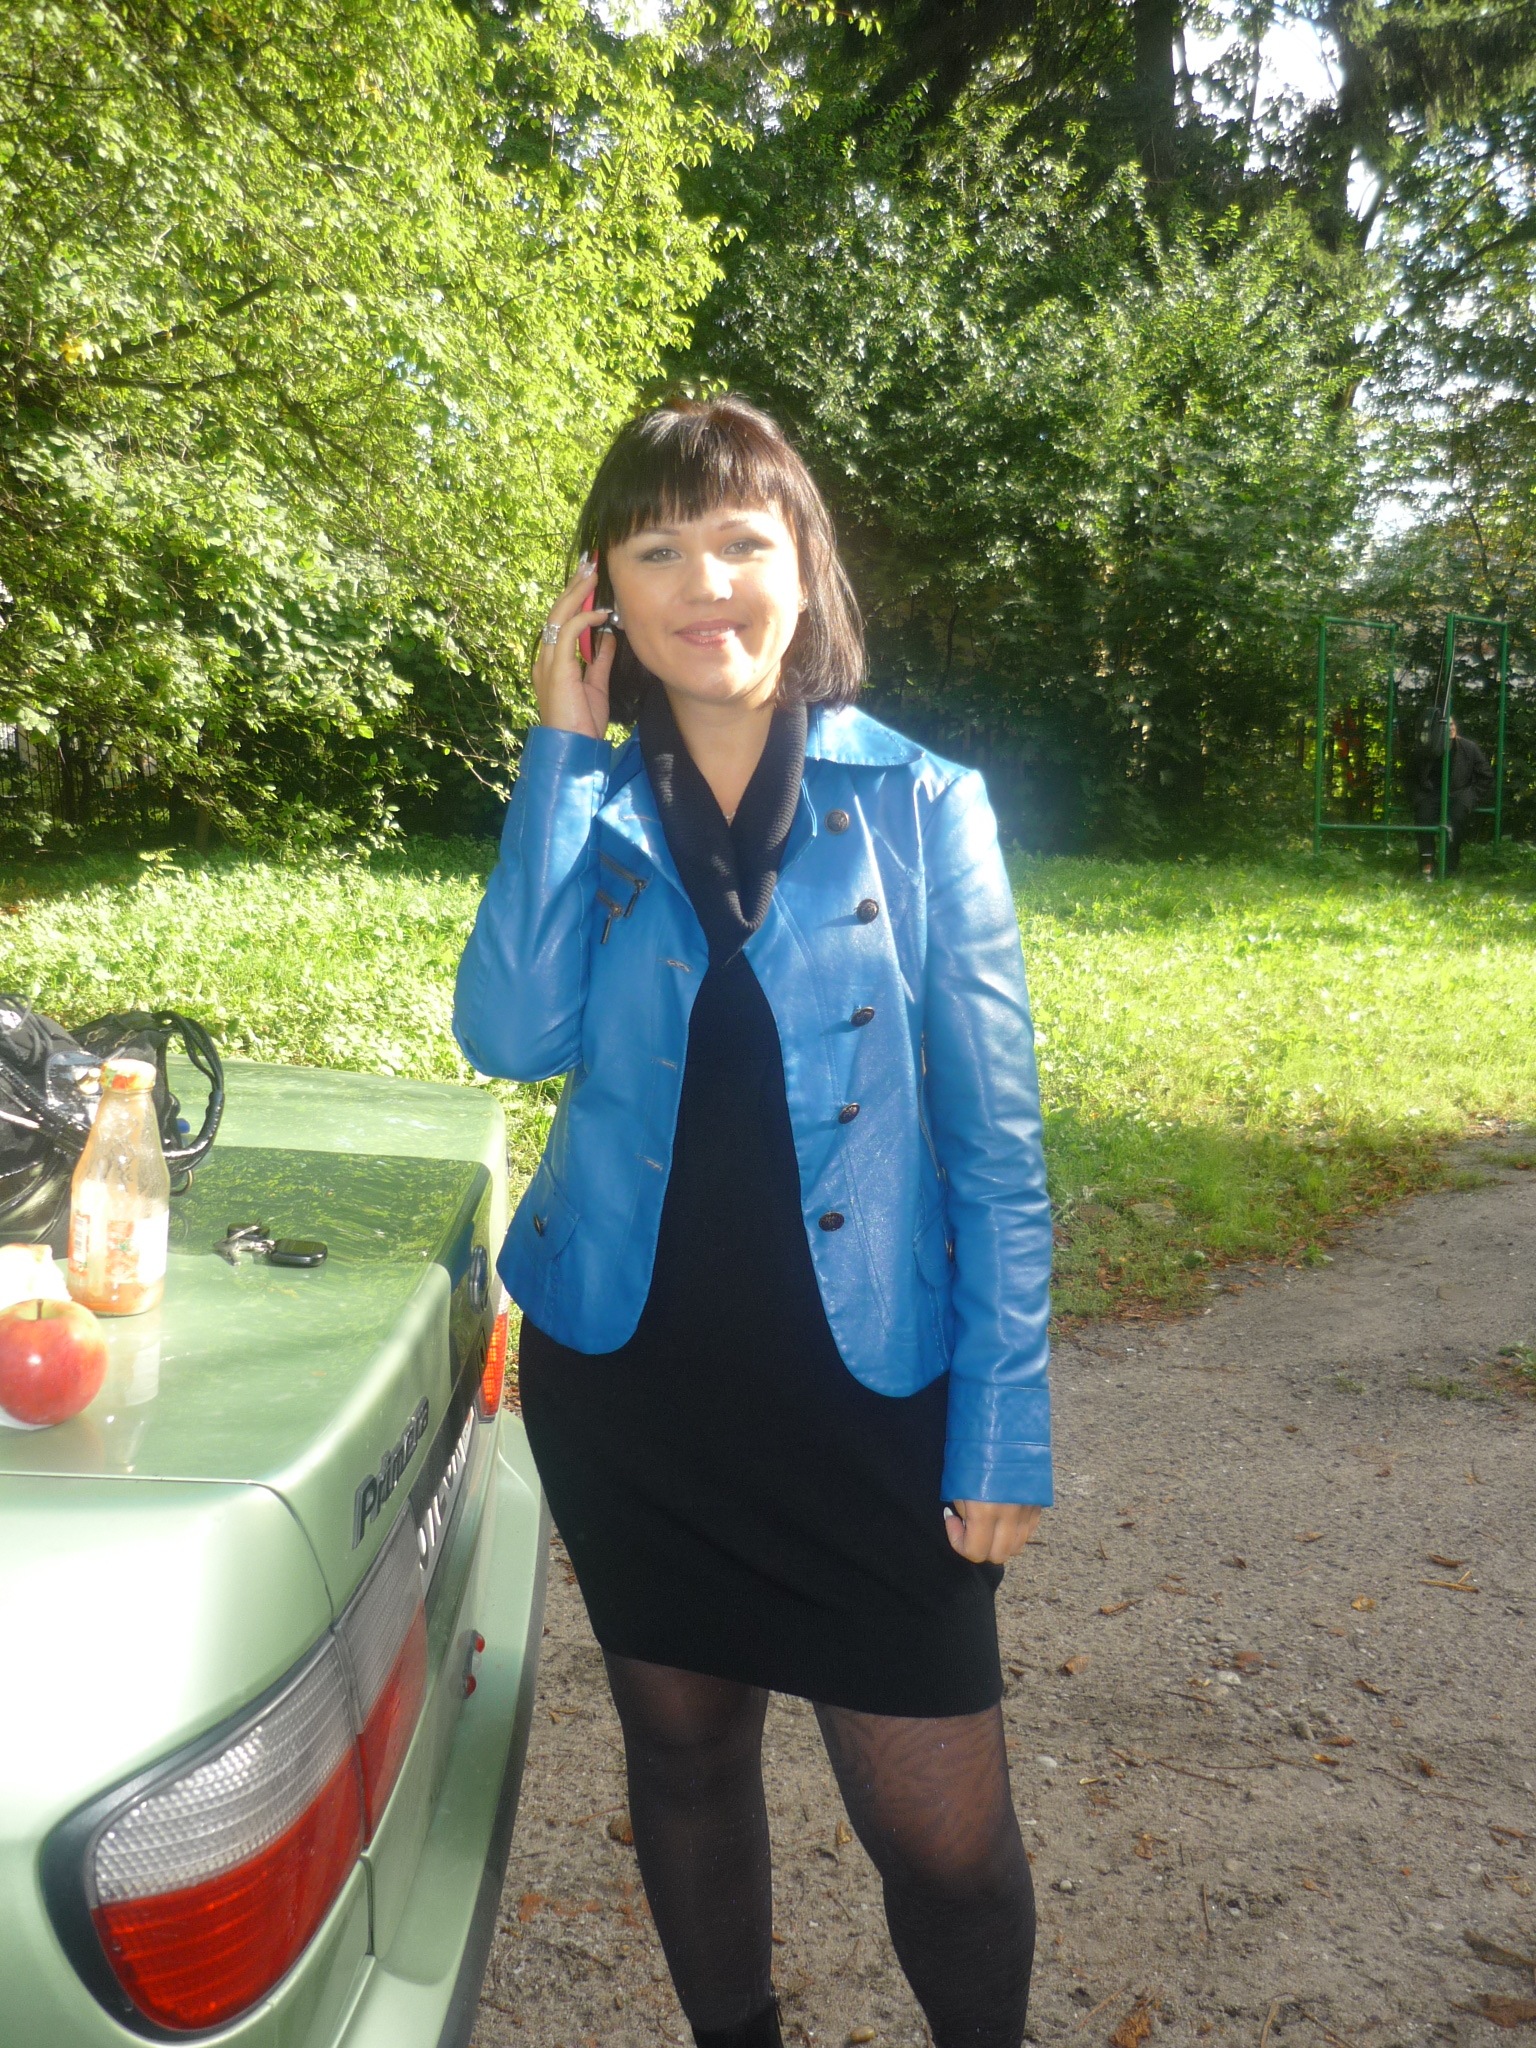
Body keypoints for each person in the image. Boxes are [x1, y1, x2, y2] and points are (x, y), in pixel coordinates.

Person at [453, 397, 1053, 2048]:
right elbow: (509, 1032)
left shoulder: (923, 806)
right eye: (657, 547)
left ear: (803, 567)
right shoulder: (595, 805)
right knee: (686, 1753)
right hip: (633, 1390)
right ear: (602, 595)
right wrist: (558, 753)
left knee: (948, 1841)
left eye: (739, 539)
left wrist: (1004, 1422)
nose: (704, 581)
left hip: (871, 1402)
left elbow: (997, 1145)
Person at [1411, 715, 1494, 877]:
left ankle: (1450, 866)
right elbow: (1410, 778)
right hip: (1431, 794)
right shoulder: (1425, 749)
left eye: (1452, 724)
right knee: (1423, 816)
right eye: (1445, 725)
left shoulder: (1469, 748)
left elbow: (1486, 776)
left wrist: (1471, 796)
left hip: (1459, 794)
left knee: (1456, 819)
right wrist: (1418, 798)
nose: (1450, 728)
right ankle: (1427, 864)